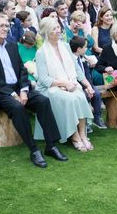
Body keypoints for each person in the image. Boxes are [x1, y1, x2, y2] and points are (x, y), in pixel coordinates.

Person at [0, 14, 67, 168]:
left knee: (43, 101)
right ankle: (33, 149)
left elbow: (22, 70)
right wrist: (12, 94)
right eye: (1, 26)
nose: (6, 28)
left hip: (18, 88)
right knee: (17, 107)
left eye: (6, 25)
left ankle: (51, 145)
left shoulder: (11, 45)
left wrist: (23, 90)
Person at [34, 18, 93, 151]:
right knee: (70, 100)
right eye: (53, 29)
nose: (58, 30)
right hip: (50, 88)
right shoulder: (41, 52)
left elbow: (77, 69)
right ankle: (75, 136)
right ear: (46, 32)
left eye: (58, 27)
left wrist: (87, 85)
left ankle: (83, 134)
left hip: (70, 83)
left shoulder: (66, 46)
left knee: (81, 96)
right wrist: (64, 83)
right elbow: (43, 79)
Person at [70, 35, 106, 131]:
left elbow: (87, 75)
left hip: (86, 84)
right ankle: (85, 123)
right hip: (76, 86)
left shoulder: (83, 58)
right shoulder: (70, 60)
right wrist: (85, 88)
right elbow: (75, 77)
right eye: (86, 47)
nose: (87, 49)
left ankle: (97, 117)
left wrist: (90, 86)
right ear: (79, 49)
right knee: (84, 97)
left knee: (97, 94)